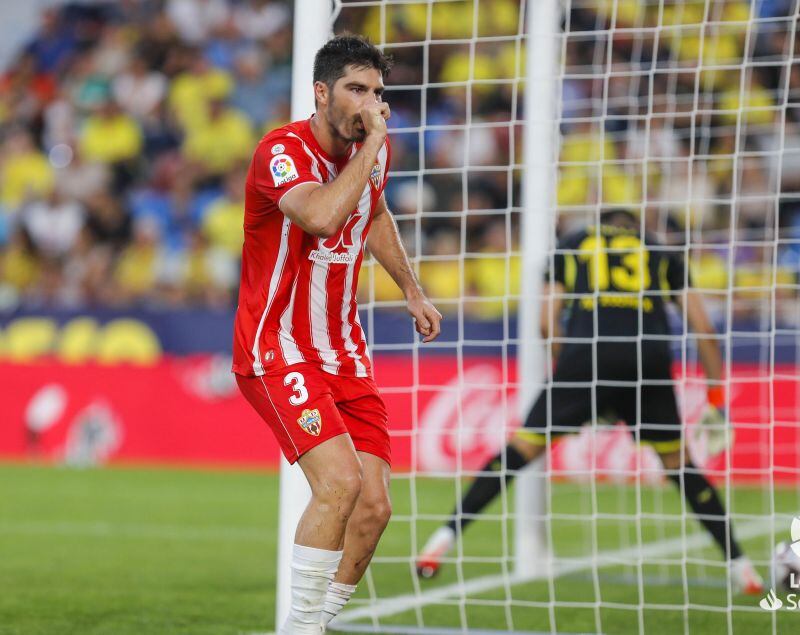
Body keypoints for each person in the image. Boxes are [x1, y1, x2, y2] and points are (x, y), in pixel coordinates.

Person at [416, 209, 763, 595]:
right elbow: (704, 329)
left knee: (521, 450)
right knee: (679, 466)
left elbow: (547, 323)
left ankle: (442, 540)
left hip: (586, 357)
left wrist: (576, 382)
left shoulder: (573, 243)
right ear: (635, 229)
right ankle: (742, 567)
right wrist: (715, 401)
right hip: (646, 359)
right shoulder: (661, 251)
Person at [232, 35, 442, 634]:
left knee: (374, 506)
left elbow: (371, 212)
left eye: (377, 92)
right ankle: (297, 630)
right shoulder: (282, 152)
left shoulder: (372, 152)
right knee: (341, 484)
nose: (370, 104)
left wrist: (411, 287)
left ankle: (315, 624)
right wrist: (373, 143)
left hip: (343, 351)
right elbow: (322, 215)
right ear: (321, 93)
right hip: (276, 348)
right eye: (356, 89)